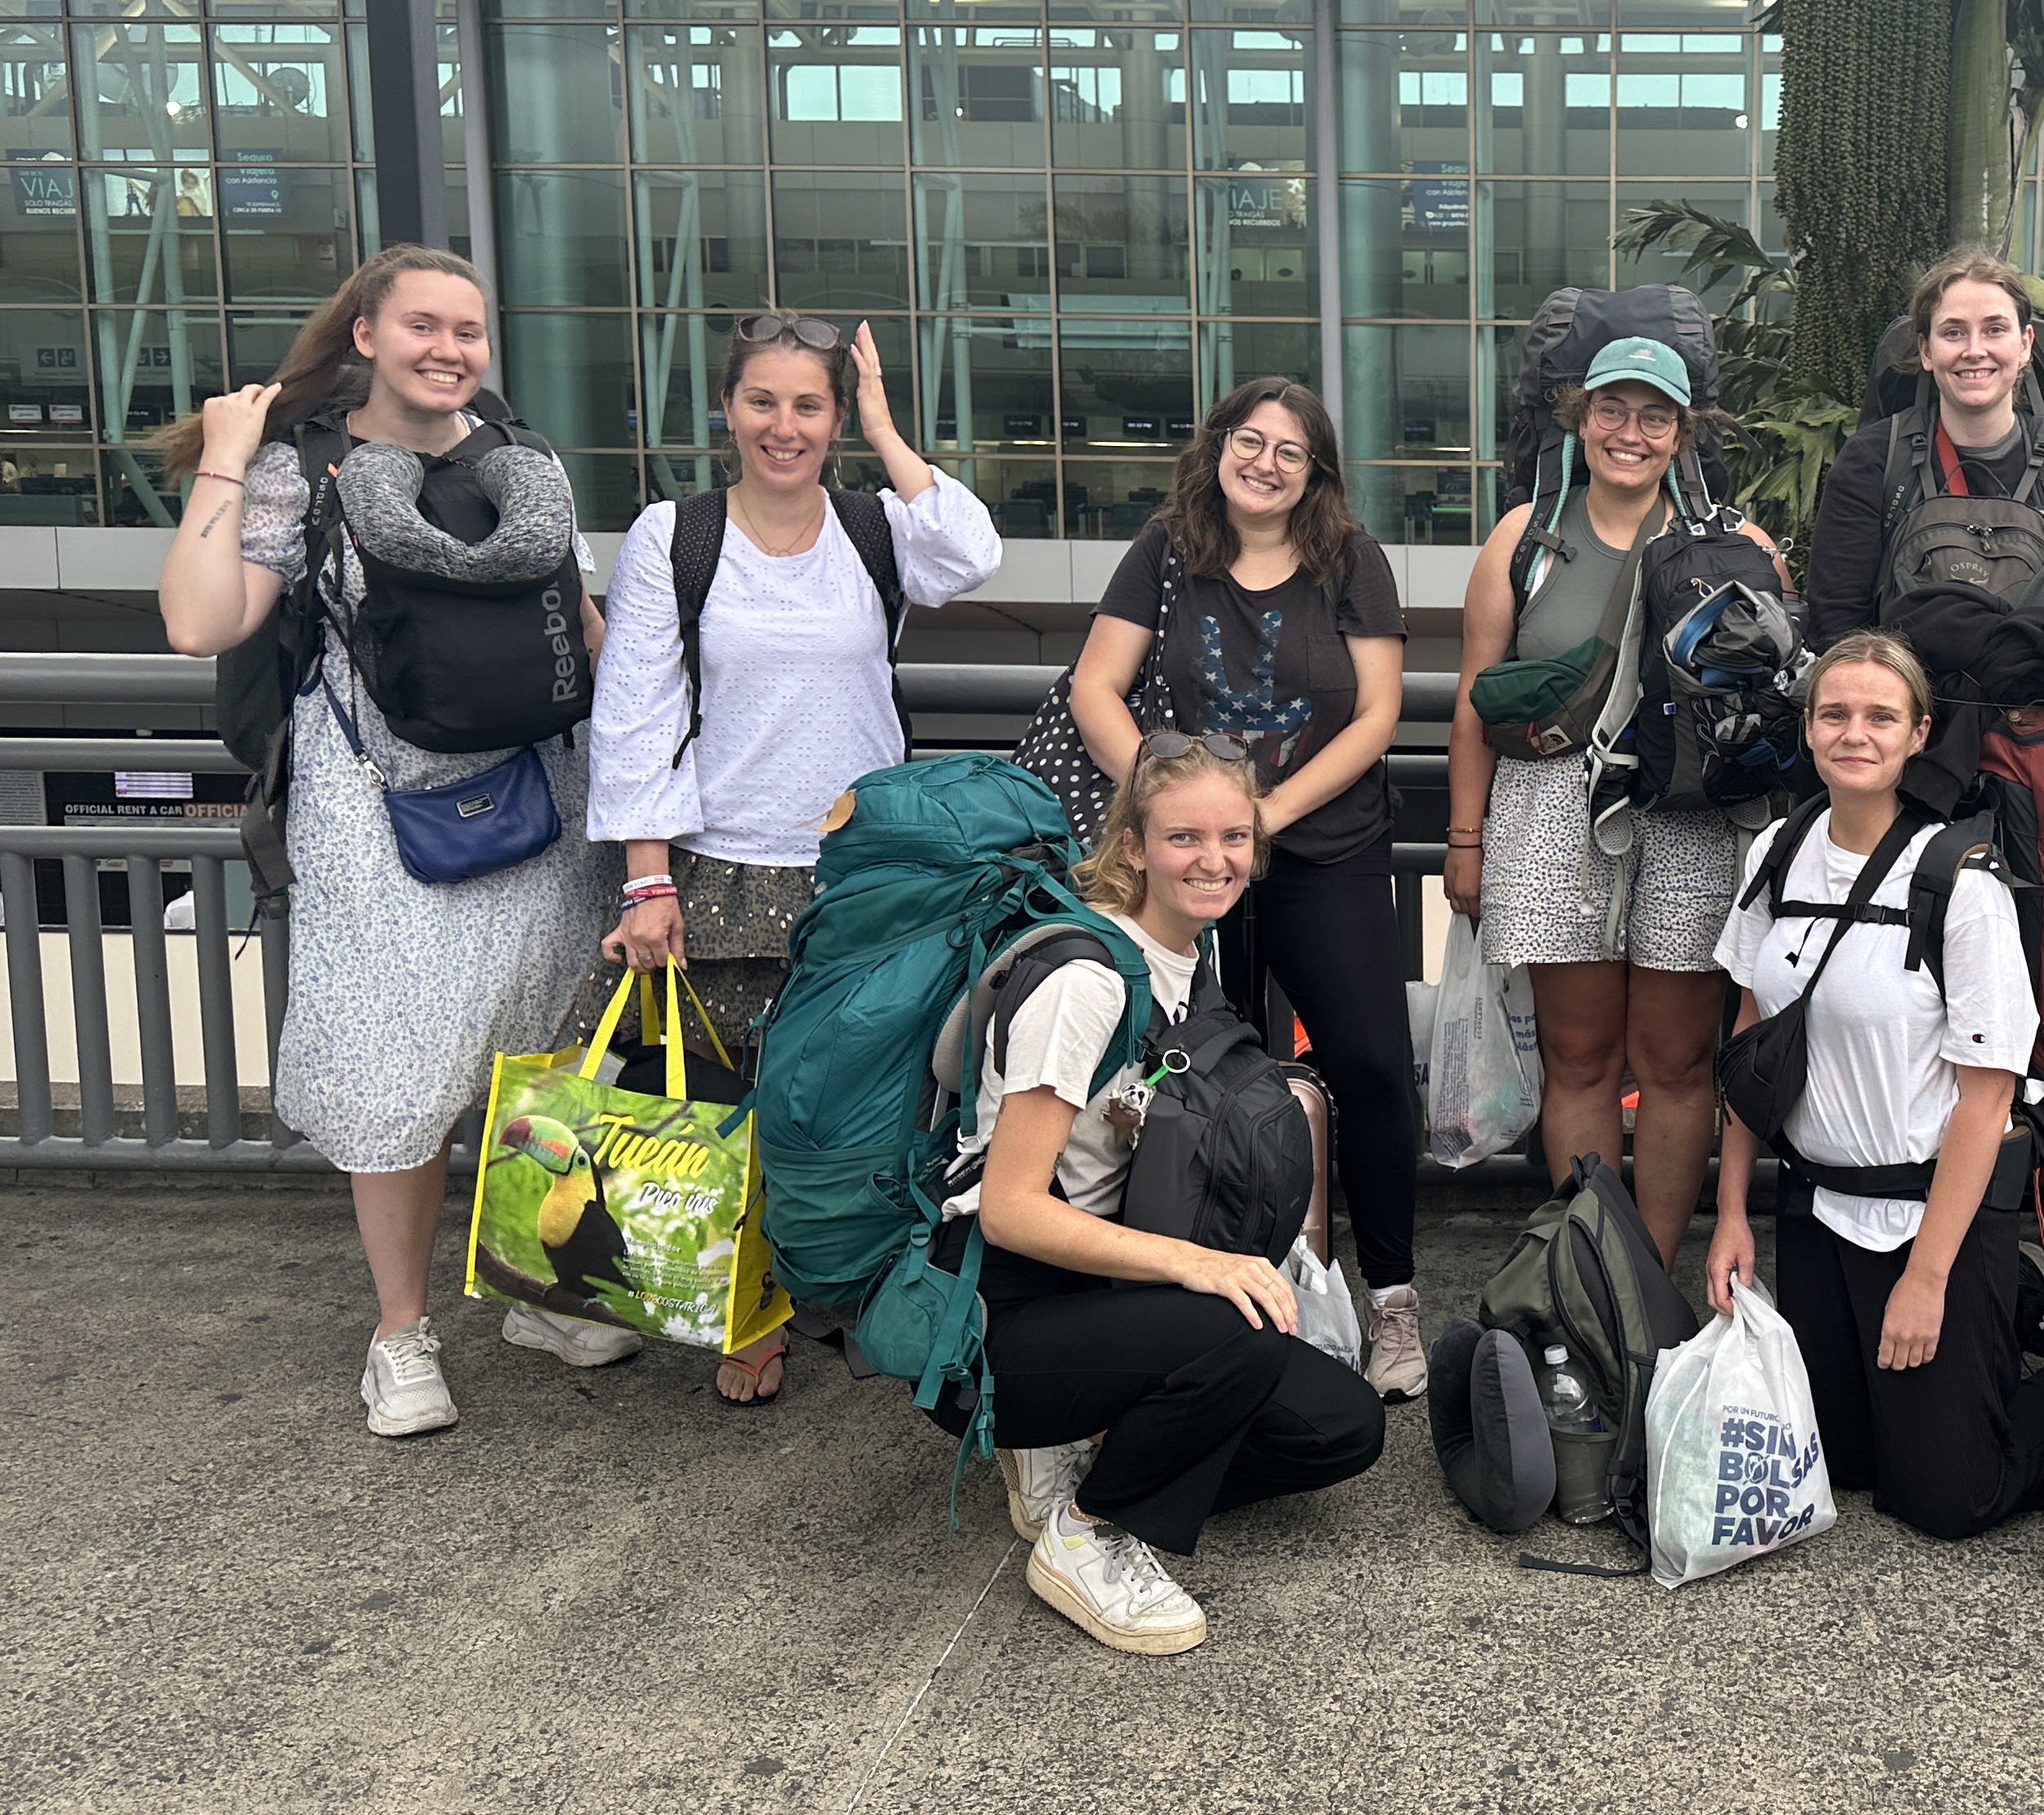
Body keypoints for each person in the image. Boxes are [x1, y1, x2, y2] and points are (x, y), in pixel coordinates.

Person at [152, 247, 616, 1440]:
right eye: (423, 325)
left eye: (468, 329)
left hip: (537, 792)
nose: (449, 349)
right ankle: (398, 1333)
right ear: (366, 335)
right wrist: (224, 458)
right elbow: (202, 620)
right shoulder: (298, 472)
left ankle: (533, 1286)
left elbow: (586, 622)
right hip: (375, 805)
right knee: (399, 1071)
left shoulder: (525, 463)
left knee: (540, 1049)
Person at [580, 311, 1002, 1402]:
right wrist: (647, 875)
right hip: (721, 866)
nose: (785, 426)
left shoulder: (874, 526)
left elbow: (972, 550)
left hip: (861, 867)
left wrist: (885, 428)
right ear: (728, 407)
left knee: (860, 1097)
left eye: (808, 404)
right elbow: (635, 707)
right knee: (728, 1110)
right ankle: (746, 1307)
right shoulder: (676, 536)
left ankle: (853, 1289)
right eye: (763, 401)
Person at [953, 736, 1386, 1656]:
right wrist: (1201, 1262)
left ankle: (1083, 1450)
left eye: (1234, 836)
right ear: (1136, 845)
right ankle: (1094, 1531)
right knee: (1237, 1323)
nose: (1214, 860)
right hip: (1004, 1309)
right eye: (1184, 837)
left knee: (1342, 1427)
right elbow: (1011, 1208)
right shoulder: (1087, 980)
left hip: (1105, 1291)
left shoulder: (1191, 952)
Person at [1060, 377, 1421, 1398]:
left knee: (1370, 1067)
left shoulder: (1351, 560)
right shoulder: (1167, 549)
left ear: (1316, 473)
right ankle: (1207, 1284)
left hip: (1326, 851)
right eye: (1248, 440)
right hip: (1190, 867)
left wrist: (1259, 819)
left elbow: (1378, 714)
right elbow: (1096, 684)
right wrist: (1172, 818)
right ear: (1219, 444)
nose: (1264, 462)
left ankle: (1391, 1297)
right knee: (1186, 1077)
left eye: (1289, 451)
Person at [1706, 631, 2044, 1541]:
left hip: (1932, 1219)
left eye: (1881, 716)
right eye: (1835, 713)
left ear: (1919, 734)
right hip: (1814, 1210)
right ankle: (1990, 1337)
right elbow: (1749, 1050)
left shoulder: (1960, 881)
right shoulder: (1778, 847)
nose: (1856, 733)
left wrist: (1927, 1280)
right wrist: (1731, 1214)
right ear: (1806, 729)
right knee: (1842, 1466)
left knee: (1947, 1500)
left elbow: (1987, 1098)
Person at [1448, 337, 1783, 1260]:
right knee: (1581, 1057)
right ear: (1577, 415)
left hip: (1690, 814)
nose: (1629, 433)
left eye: (1654, 416)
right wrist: (1464, 839)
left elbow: (1775, 699)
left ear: (1683, 432)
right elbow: (1476, 702)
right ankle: (1597, 1278)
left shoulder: (1739, 546)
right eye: (1612, 410)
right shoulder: (1522, 539)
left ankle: (1655, 1282)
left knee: (1677, 1064)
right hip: (1554, 803)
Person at [1806, 251, 2044, 712]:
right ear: (1925, 350)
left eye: (1995, 329)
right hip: (1905, 737)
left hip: (2041, 733)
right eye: (1953, 332)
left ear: (2025, 344)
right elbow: (1838, 630)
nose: (1974, 349)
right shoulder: (1871, 463)